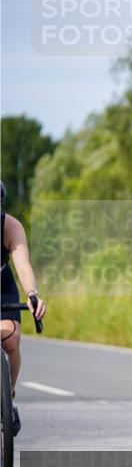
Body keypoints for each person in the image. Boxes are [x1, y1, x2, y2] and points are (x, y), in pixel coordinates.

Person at [1, 180, 47, 436]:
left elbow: (23, 265)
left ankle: (7, 397)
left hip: (2, 287)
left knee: (10, 339)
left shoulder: (10, 226)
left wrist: (32, 294)